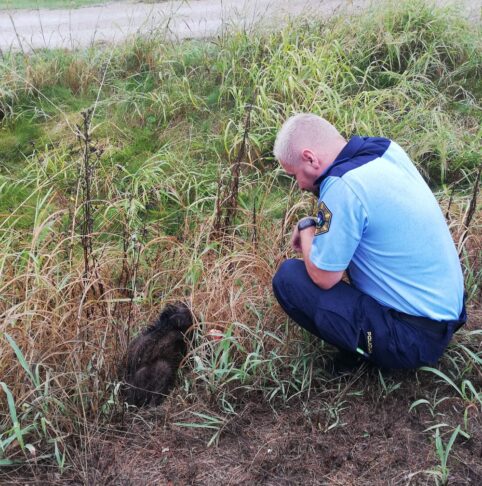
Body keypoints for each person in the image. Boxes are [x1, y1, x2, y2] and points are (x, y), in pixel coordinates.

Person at [272, 113, 466, 369]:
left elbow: (323, 277)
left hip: (411, 340)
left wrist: (307, 228)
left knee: (289, 279)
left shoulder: (342, 186)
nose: (298, 185)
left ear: (310, 158)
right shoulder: (384, 150)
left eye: (293, 174)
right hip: (445, 315)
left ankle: (365, 354)